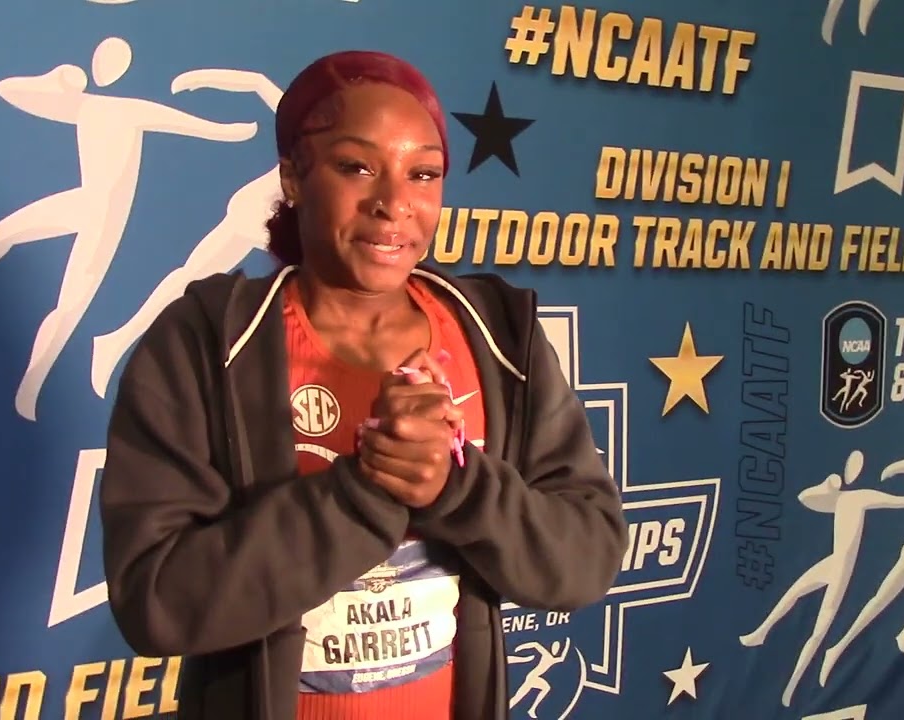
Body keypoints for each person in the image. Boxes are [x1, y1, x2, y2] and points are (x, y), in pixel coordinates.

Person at [98, 50, 628, 720]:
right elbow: (158, 603)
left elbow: (585, 557)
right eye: (356, 166)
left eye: (424, 173)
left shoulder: (498, 336)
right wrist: (364, 494)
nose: (393, 204)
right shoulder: (207, 343)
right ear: (293, 175)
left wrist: (455, 487)